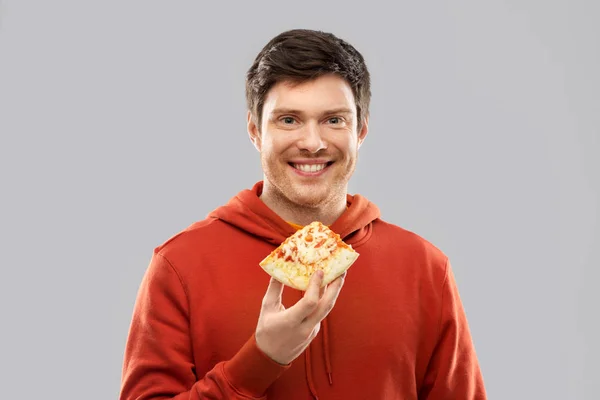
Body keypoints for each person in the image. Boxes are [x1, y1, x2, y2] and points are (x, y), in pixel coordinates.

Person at [119, 29, 487, 400]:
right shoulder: (180, 265)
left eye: (334, 120)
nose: (312, 143)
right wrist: (260, 360)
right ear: (254, 131)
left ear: (360, 130)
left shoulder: (425, 267)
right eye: (289, 120)